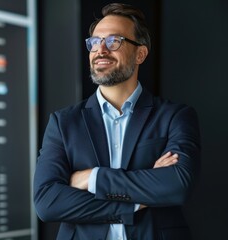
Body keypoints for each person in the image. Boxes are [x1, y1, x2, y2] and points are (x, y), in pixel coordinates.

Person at [33, 2, 201, 240]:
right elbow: (47, 202)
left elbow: (176, 185)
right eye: (94, 42)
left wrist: (93, 177)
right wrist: (136, 201)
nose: (100, 50)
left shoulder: (175, 116)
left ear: (140, 53)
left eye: (114, 41)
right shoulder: (64, 123)